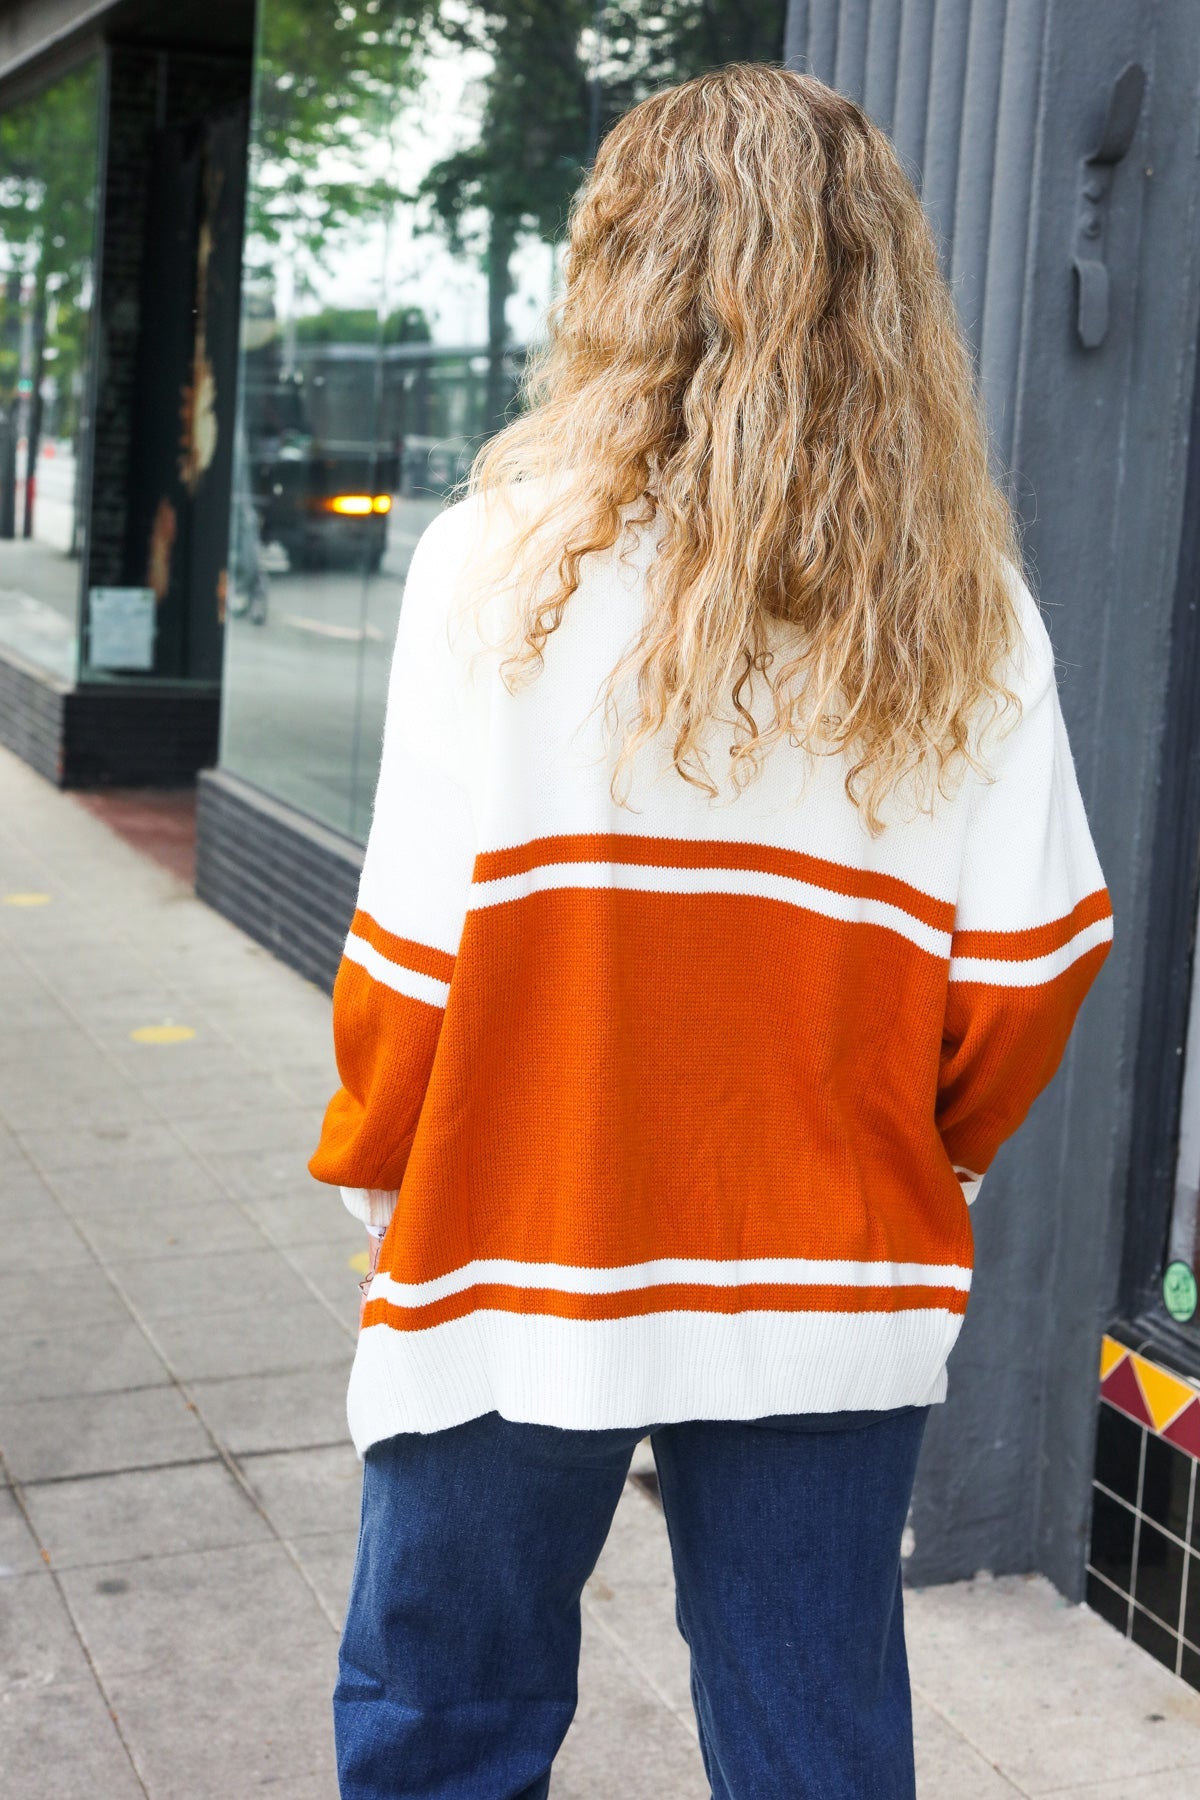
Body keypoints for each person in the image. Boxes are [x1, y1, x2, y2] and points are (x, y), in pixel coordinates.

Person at [309, 63, 1112, 1800]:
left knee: (446, 1720)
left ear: (623, 266)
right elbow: (1037, 969)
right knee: (814, 1731)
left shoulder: (496, 565)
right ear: (882, 287)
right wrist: (919, 1148)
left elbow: (408, 963)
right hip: (831, 1261)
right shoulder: (971, 618)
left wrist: (388, 1177)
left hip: (519, 1241)